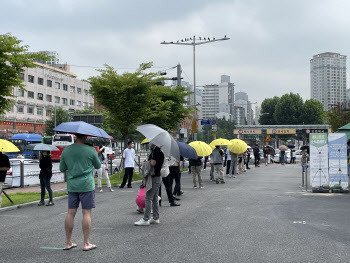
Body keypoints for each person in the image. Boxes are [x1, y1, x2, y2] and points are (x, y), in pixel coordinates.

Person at [60, 133, 101, 251]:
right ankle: (86, 243)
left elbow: (62, 169)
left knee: (71, 213)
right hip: (87, 185)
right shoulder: (90, 150)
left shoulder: (66, 150)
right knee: (86, 213)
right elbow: (98, 165)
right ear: (84, 137)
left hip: (72, 186)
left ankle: (68, 242)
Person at [135, 144, 164, 226]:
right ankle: (155, 217)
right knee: (154, 198)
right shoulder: (160, 151)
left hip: (154, 178)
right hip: (157, 177)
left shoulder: (156, 151)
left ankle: (146, 218)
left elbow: (153, 163)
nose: (149, 143)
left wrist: (146, 162)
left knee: (148, 197)